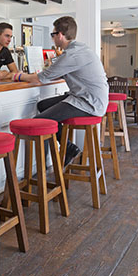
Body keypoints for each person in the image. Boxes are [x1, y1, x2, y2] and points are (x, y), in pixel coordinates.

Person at [10, 16, 109, 165]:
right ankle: (69, 148)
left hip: (89, 102)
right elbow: (56, 74)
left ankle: (42, 169)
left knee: (40, 121)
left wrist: (17, 76)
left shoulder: (71, 54)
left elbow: (41, 78)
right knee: (42, 106)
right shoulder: (80, 49)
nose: (53, 39)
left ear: (60, 35)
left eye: (53, 35)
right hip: (91, 98)